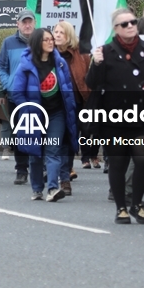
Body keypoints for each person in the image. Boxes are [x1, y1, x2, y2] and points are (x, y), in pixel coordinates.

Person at [87, 8, 144, 223]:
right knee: (118, 163)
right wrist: (96, 64)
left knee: (143, 160)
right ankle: (121, 207)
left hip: (141, 115)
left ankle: (137, 203)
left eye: (133, 22)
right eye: (124, 24)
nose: (130, 26)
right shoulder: (105, 51)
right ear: (116, 28)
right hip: (114, 118)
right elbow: (92, 84)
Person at [10, 27, 79, 202]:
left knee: (53, 149)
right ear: (37, 43)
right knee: (36, 153)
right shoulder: (26, 65)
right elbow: (17, 93)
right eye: (46, 39)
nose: (51, 42)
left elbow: (67, 88)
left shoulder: (60, 62)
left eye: (51, 39)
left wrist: (70, 108)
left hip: (57, 113)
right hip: (34, 115)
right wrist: (26, 111)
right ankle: (37, 188)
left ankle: (53, 188)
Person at [0, 9, 35, 185]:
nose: (27, 25)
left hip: (37, 96)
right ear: (17, 24)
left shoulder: (41, 40)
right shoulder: (8, 42)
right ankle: (21, 169)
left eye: (30, 22)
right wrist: (8, 84)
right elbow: (1, 67)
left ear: (34, 23)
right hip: (15, 96)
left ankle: (38, 167)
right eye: (24, 22)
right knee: (19, 133)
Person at [53, 20, 89, 193]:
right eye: (56, 32)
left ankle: (65, 170)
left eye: (62, 32)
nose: (57, 35)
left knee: (70, 139)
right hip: (56, 104)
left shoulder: (81, 54)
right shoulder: (49, 54)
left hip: (77, 104)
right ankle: (63, 178)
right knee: (60, 139)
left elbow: (88, 77)